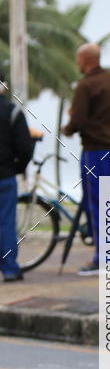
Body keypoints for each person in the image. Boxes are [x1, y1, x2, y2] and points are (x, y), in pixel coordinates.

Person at [62, 44, 110, 276]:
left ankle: (103, 258)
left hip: (96, 151)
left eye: (78, 59)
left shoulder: (86, 85)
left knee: (97, 204)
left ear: (84, 59)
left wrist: (68, 127)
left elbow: (78, 119)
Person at [0, 74, 34, 282]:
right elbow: (25, 147)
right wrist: (17, 167)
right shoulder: (12, 111)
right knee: (6, 223)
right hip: (5, 176)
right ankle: (10, 269)